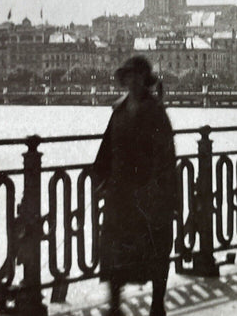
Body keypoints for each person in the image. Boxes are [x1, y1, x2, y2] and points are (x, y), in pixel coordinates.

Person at [93, 56, 177, 316]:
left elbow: (166, 156)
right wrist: (100, 179)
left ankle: (156, 304)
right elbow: (106, 150)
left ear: (144, 80)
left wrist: (163, 193)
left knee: (154, 251)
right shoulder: (118, 111)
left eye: (137, 77)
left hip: (148, 194)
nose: (133, 82)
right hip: (120, 194)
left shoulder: (156, 112)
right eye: (129, 77)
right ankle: (116, 305)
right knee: (115, 251)